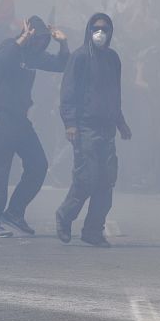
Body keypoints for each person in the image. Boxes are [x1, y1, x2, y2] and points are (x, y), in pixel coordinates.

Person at [0, 16, 69, 237]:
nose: (40, 44)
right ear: (28, 34)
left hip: (20, 120)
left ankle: (14, 212)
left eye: (43, 40)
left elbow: (60, 65)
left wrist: (63, 43)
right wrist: (21, 39)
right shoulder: (10, 47)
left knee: (38, 165)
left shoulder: (33, 56)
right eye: (37, 38)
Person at [56, 13, 131, 247]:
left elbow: (114, 94)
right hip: (85, 127)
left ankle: (92, 230)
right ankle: (65, 216)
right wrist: (70, 123)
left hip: (107, 129)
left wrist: (121, 123)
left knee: (106, 180)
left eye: (105, 29)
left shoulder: (112, 59)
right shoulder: (79, 58)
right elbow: (68, 92)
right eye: (96, 28)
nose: (100, 33)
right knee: (86, 178)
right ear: (89, 30)